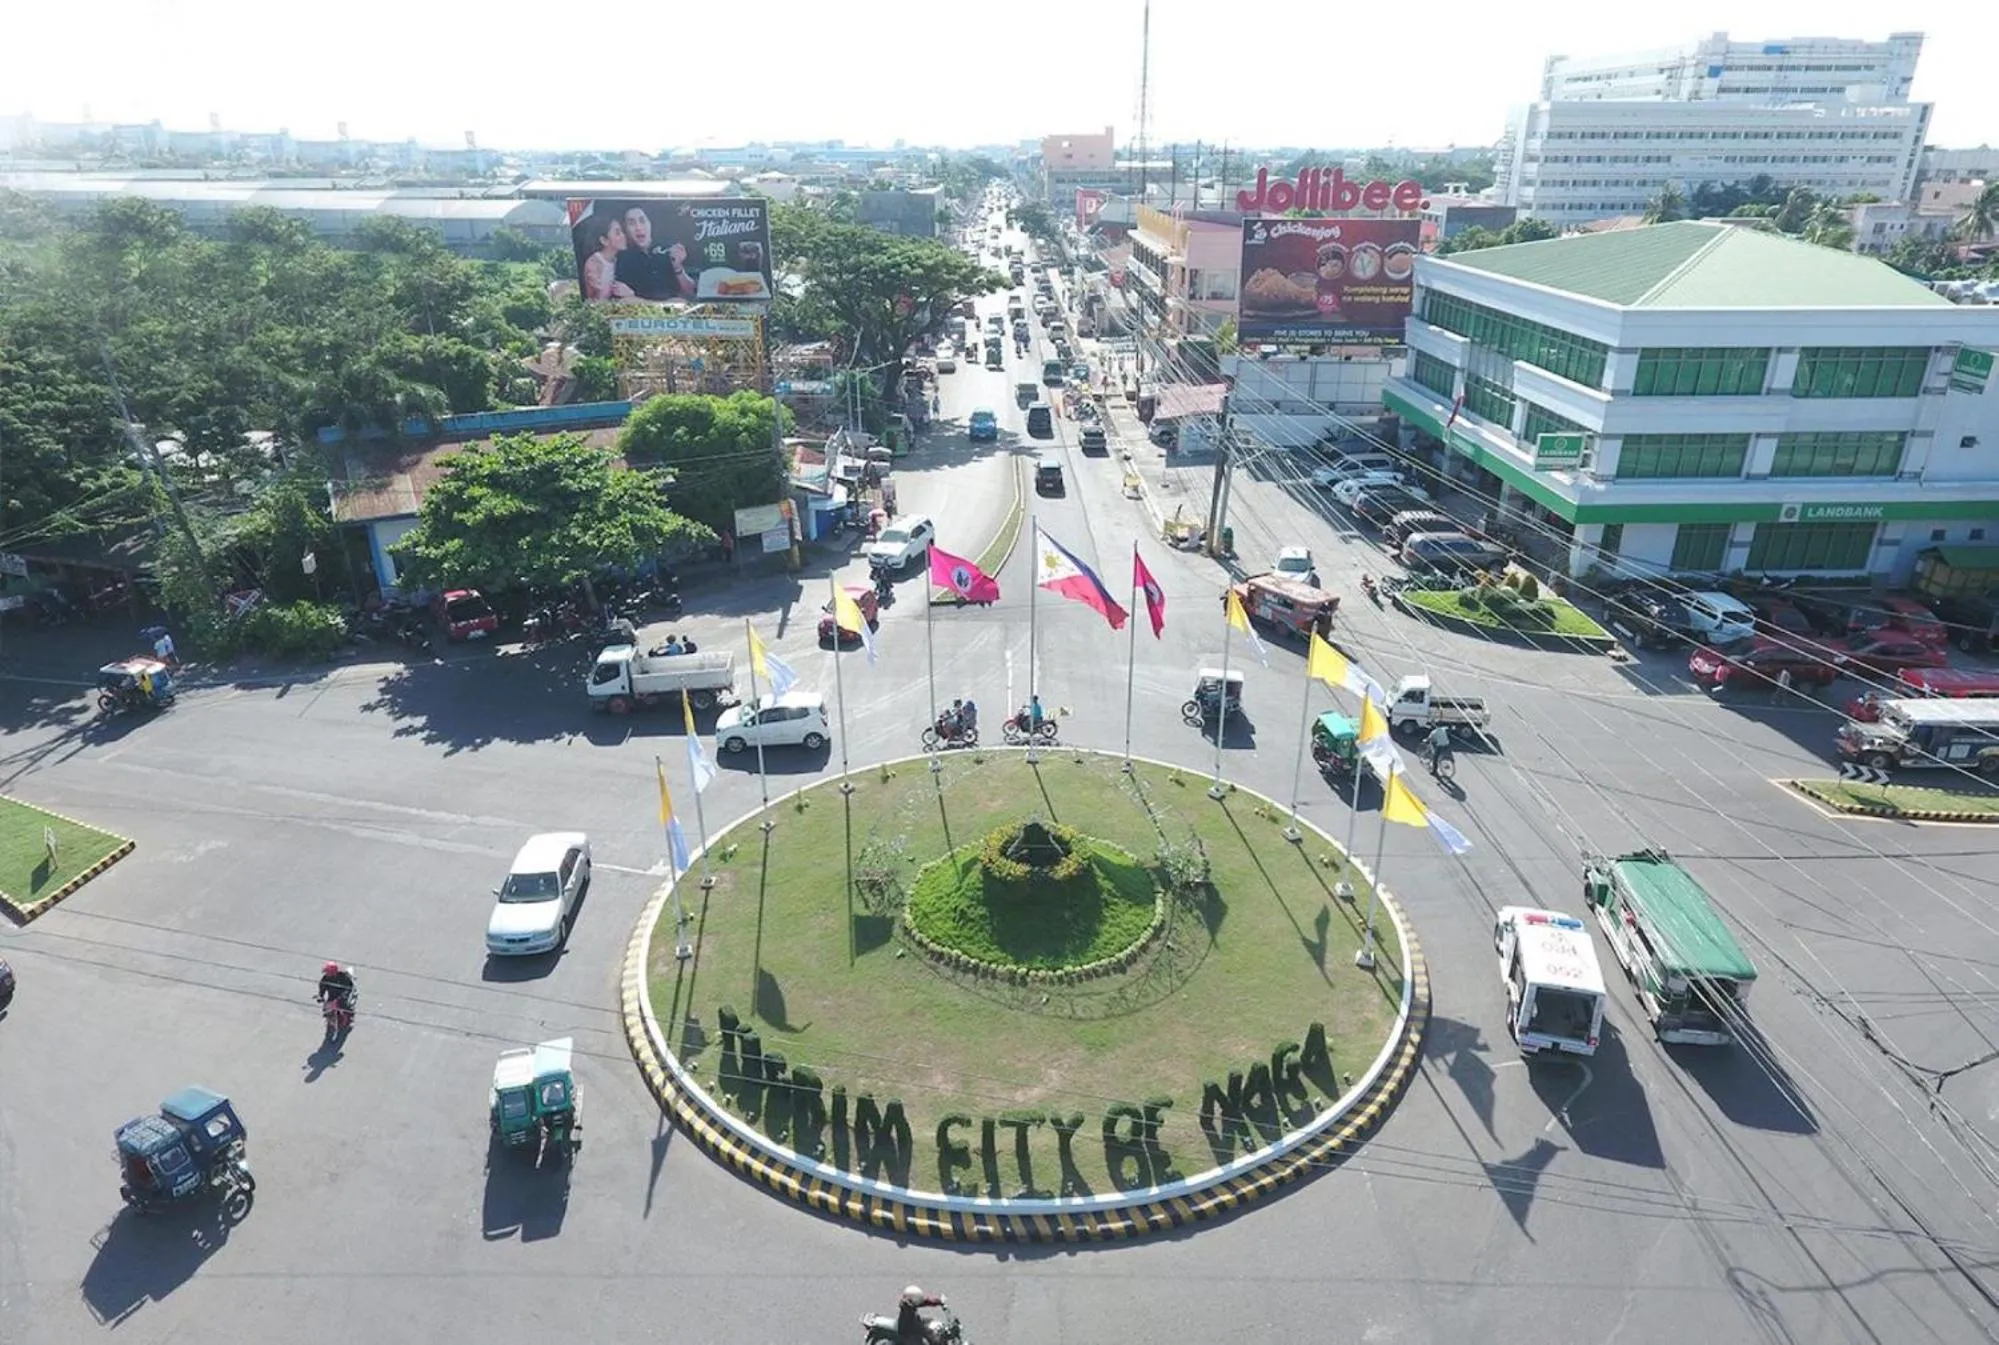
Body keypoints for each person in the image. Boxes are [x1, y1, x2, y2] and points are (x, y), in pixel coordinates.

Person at [614, 206, 698, 301]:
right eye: (631, 223)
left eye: (642, 221)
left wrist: (678, 268)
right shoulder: (623, 259)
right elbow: (624, 299)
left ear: (650, 223)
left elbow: (691, 291)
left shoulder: (668, 249)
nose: (638, 227)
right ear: (626, 229)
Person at [578, 214, 636, 301]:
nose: (623, 236)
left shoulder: (619, 260)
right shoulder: (594, 263)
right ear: (604, 240)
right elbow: (596, 296)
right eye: (617, 233)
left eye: (622, 232)